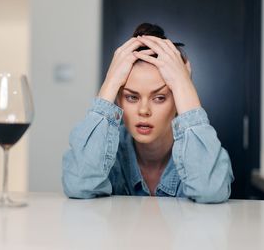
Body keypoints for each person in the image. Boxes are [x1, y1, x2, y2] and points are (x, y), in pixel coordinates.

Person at [62, 23, 234, 203]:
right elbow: (78, 185)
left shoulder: (196, 150)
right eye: (131, 97)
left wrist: (184, 85)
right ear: (119, 100)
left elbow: (210, 191)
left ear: (178, 99)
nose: (144, 110)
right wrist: (110, 83)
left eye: (159, 98)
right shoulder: (108, 149)